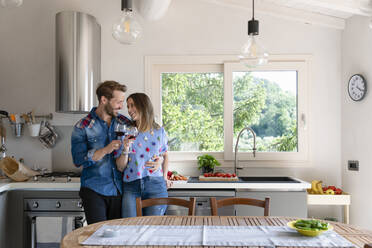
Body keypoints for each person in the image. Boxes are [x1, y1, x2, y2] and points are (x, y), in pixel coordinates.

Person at [71, 80, 132, 224]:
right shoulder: (82, 126)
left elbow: (144, 142)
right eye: (118, 102)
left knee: (117, 238)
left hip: (119, 190)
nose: (121, 106)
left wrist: (160, 159)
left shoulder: (125, 123)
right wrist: (105, 150)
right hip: (94, 190)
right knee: (97, 236)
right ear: (104, 100)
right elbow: (77, 160)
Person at [116, 93, 172, 218]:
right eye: (128, 106)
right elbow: (120, 167)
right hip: (131, 187)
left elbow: (165, 154)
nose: (129, 110)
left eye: (132, 106)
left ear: (143, 106)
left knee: (152, 230)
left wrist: (164, 177)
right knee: (130, 228)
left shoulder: (159, 131)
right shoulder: (125, 132)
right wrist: (125, 149)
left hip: (155, 185)